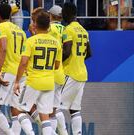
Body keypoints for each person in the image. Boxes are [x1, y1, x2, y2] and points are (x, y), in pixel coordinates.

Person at [13, 10, 62, 135]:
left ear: (35, 24)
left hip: (33, 82)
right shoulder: (56, 42)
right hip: (49, 83)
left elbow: (23, 62)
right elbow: (56, 65)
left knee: (17, 110)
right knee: (45, 116)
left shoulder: (31, 41)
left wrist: (17, 81)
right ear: (49, 25)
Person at [0, 3, 26, 135]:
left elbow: (3, 48)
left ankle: (10, 133)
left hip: (7, 71)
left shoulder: (1, 27)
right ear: (10, 15)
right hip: (21, 73)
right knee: (15, 110)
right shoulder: (20, 30)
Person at [61, 2, 92, 135]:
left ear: (66, 13)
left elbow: (67, 52)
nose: (62, 14)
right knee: (75, 110)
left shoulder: (68, 30)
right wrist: (78, 60)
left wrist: (55, 62)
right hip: (82, 73)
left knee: (56, 107)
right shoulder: (83, 30)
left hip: (70, 73)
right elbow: (89, 53)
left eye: (63, 12)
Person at [48, 5, 69, 135]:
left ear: (51, 16)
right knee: (54, 109)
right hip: (61, 70)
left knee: (46, 109)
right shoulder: (66, 29)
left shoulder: (50, 28)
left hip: (50, 71)